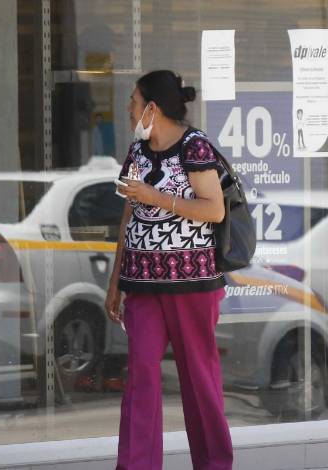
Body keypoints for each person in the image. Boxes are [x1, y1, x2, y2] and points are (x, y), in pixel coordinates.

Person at [105, 70, 232, 470]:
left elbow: (214, 209)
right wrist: (115, 281)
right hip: (141, 284)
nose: (129, 109)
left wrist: (155, 196)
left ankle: (214, 464)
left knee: (199, 380)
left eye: (134, 102)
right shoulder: (137, 152)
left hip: (191, 284)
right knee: (140, 377)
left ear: (152, 108)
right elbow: (128, 217)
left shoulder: (195, 146)